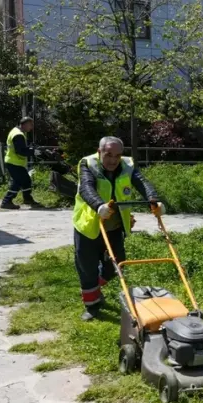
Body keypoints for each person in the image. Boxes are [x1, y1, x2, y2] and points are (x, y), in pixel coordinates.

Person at [73, 136, 162, 321]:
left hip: (114, 226)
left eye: (117, 155)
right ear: (99, 152)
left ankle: (94, 290)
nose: (113, 160)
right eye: (109, 155)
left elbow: (142, 182)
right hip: (89, 225)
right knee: (87, 267)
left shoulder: (127, 166)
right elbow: (86, 188)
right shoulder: (87, 165)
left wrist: (154, 200)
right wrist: (99, 206)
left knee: (117, 264)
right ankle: (92, 306)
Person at [1, 117, 40, 210]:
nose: (32, 127)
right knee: (18, 181)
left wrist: (30, 149)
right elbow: (20, 151)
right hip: (14, 162)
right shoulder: (18, 134)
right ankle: (6, 201)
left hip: (15, 162)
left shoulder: (15, 131)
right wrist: (33, 152)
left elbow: (20, 148)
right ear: (25, 124)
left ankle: (27, 199)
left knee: (26, 180)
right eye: (31, 125)